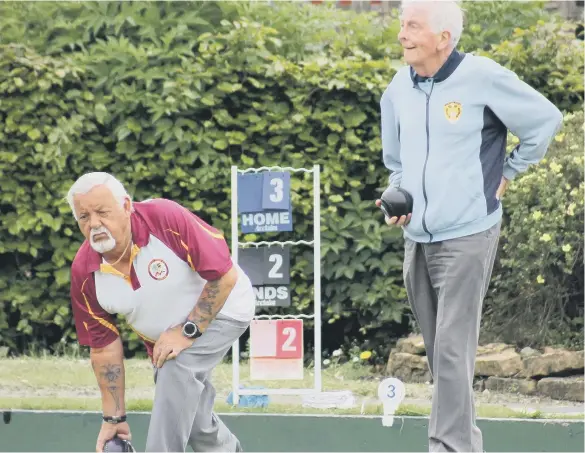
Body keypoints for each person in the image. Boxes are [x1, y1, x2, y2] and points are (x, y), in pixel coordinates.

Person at [376, 1, 563, 452]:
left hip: (468, 233)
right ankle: (465, 444)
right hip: (416, 236)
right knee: (443, 353)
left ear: (443, 37)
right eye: (402, 24)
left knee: (453, 349)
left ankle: (448, 446)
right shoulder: (398, 87)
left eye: (413, 26)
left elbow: (545, 120)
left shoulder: (481, 77)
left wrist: (510, 172)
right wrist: (395, 197)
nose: (402, 34)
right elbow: (396, 161)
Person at [67, 172, 256, 452]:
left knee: (175, 368)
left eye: (102, 212)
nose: (94, 223)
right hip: (166, 341)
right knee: (190, 416)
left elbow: (223, 276)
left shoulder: (165, 218)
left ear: (127, 207)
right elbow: (104, 349)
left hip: (225, 307)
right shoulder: (84, 272)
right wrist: (114, 418)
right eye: (84, 217)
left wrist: (187, 330)